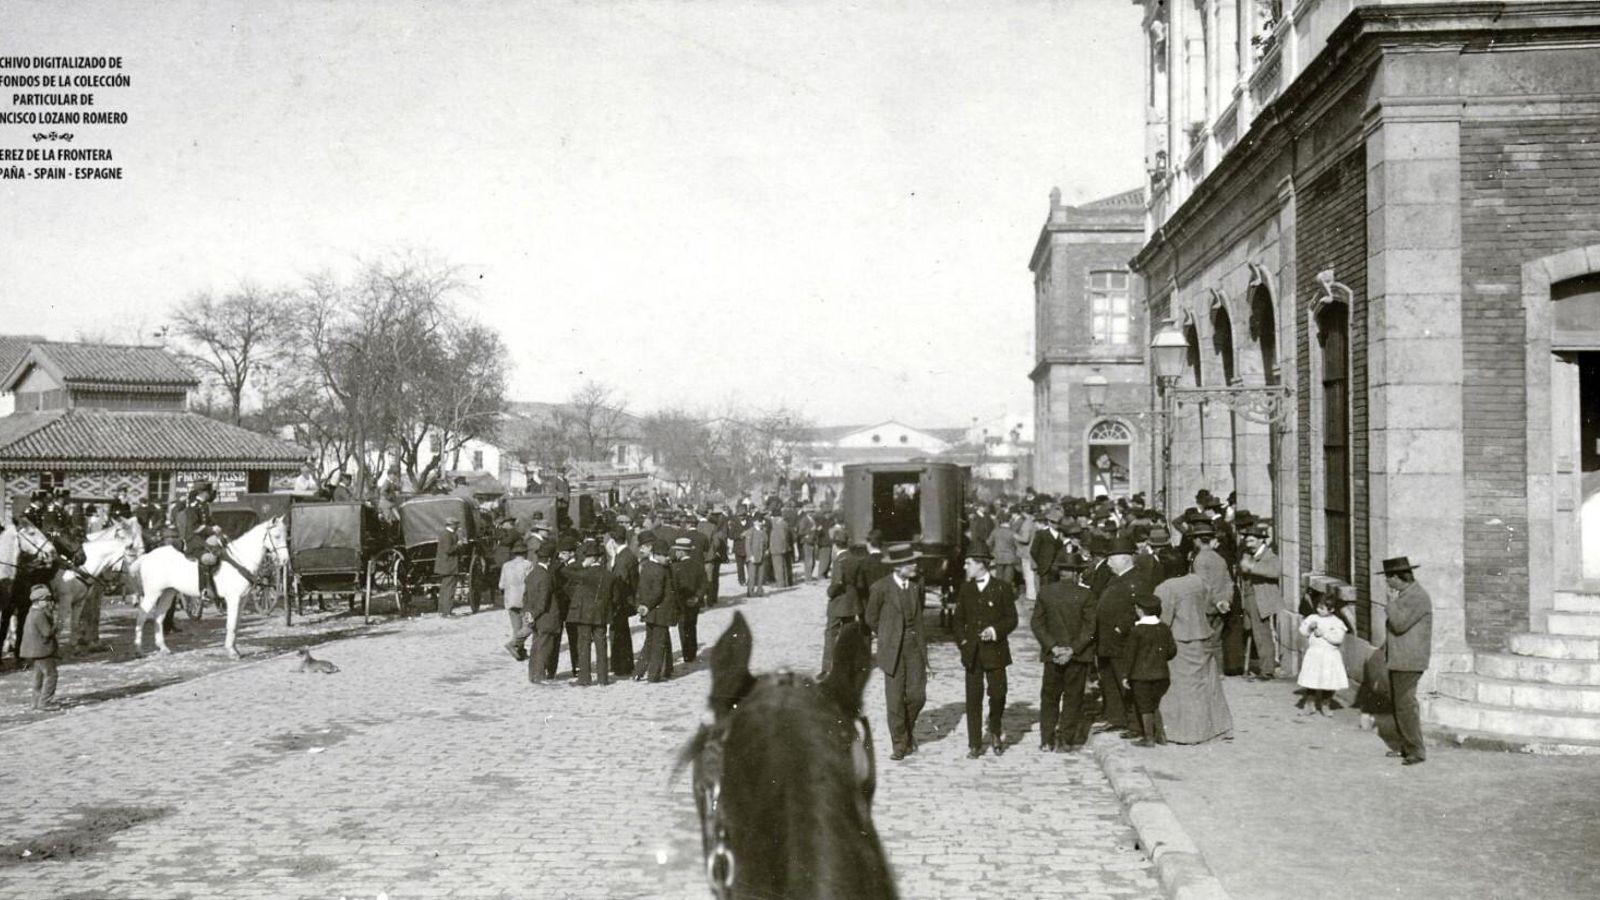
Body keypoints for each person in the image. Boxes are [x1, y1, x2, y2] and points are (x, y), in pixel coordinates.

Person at [953, 544, 1018, 758]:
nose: (965, 567)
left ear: (981, 565)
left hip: (996, 652)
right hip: (972, 653)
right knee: (973, 699)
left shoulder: (1002, 588)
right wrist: (963, 642)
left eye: (968, 563)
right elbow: (958, 621)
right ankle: (974, 743)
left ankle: (995, 729)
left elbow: (1012, 619)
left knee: (998, 694)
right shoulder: (965, 589)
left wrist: (994, 631)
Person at [863, 544, 928, 762]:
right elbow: (871, 617)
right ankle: (900, 744)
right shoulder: (880, 588)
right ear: (898, 566)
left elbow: (919, 616)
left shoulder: (916, 586)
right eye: (911, 563)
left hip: (914, 646)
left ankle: (906, 731)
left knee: (918, 695)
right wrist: (886, 635)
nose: (915, 566)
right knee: (895, 699)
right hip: (892, 648)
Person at [1155, 570, 1234, 743]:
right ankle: (1216, 727)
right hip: (1202, 635)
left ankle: (1187, 733)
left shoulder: (1166, 588)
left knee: (1183, 688)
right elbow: (1209, 604)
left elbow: (1164, 619)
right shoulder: (1197, 580)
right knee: (1208, 684)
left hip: (1182, 640)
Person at [1031, 550, 1096, 752]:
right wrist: (1072, 649)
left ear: (1060, 572)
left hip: (1053, 656)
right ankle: (1066, 739)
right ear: (1076, 573)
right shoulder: (1086, 595)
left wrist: (1053, 647)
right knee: (1073, 698)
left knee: (1049, 698)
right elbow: (1090, 629)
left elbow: (1037, 624)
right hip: (1077, 656)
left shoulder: (1046, 592)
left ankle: (1046, 739)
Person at [1382, 556, 1432, 765]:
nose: (1386, 582)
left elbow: (1399, 624)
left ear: (1396, 577)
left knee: (1405, 705)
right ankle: (1406, 746)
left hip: (1409, 660)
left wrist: (1390, 603)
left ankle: (1416, 751)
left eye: (1388, 578)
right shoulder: (1407, 594)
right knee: (1400, 705)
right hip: (1400, 659)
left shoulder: (1417, 596)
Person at [1092, 536, 1142, 737]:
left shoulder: (1136, 580)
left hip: (1121, 641)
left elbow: (1137, 609)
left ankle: (1134, 724)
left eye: (1112, 558)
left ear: (1125, 558)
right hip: (1106, 640)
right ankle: (1116, 718)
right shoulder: (1116, 578)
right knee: (1109, 680)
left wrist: (1120, 629)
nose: (1108, 563)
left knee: (1124, 681)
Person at [1121, 594, 1177, 747]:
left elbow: (1130, 655)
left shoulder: (1137, 630)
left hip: (1141, 676)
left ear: (1140, 610)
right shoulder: (1164, 628)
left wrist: (1125, 675)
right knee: (1154, 704)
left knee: (1144, 706)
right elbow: (1172, 651)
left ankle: (1149, 738)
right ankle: (1161, 736)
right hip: (1162, 675)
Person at [1238, 525, 1284, 681]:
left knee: (1262, 634)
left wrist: (1251, 566)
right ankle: (1254, 665)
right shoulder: (1248, 554)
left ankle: (1267, 670)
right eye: (1247, 541)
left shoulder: (1270, 556)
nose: (1248, 544)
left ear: (1260, 540)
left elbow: (1275, 572)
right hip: (1249, 598)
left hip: (1261, 599)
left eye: (1251, 541)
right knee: (1250, 631)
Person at [565, 540, 611, 686]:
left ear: (589, 558)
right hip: (601, 613)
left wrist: (582, 564)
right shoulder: (609, 575)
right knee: (601, 644)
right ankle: (603, 678)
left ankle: (584, 678)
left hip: (584, 614)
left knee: (584, 645)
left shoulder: (584, 574)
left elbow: (565, 571)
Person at [1297, 595, 1349, 716]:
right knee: (1311, 680)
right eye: (1318, 607)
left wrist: (1324, 633)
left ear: (1332, 609)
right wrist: (1309, 628)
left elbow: (1338, 639)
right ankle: (1310, 705)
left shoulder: (1337, 622)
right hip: (1314, 654)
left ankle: (1325, 704)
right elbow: (1303, 632)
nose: (1319, 610)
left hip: (1329, 655)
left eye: (1322, 608)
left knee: (1328, 681)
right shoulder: (1312, 618)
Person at [822, 538, 867, 678]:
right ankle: (848, 666)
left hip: (838, 602)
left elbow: (837, 583)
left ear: (835, 546)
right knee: (848, 634)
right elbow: (860, 584)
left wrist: (830, 593)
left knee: (831, 634)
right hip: (851, 603)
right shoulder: (855, 559)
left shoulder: (838, 561)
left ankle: (828, 668)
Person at [637, 540, 678, 682]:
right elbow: (658, 592)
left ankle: (639, 671)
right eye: (665, 556)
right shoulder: (661, 570)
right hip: (661, 611)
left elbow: (641, 588)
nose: (668, 558)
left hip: (649, 612)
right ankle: (653, 675)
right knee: (658, 644)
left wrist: (642, 605)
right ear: (657, 555)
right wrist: (648, 605)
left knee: (649, 641)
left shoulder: (646, 566)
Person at [524, 542, 560, 684]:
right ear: (549, 559)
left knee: (536, 646)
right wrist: (534, 613)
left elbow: (526, 596)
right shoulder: (546, 576)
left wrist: (528, 613)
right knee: (544, 647)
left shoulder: (532, 574)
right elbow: (543, 600)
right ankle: (540, 675)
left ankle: (533, 674)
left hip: (535, 617)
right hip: (546, 617)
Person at [606, 526, 639, 677]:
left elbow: (619, 579)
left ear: (613, 541)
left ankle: (620, 665)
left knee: (618, 632)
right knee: (622, 630)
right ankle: (624, 663)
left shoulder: (621, 557)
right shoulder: (628, 554)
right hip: (626, 598)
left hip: (620, 600)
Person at [20, 584, 58, 710]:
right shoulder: (39, 615)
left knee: (38, 676)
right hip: (42, 650)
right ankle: (45, 702)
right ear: (39, 600)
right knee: (51, 675)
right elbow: (47, 632)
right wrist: (57, 624)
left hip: (34, 651)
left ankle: (35, 702)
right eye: (47, 600)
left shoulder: (32, 612)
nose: (48, 603)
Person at [670, 536, 705, 664]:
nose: (675, 553)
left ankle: (687, 653)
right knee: (692, 625)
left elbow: (674, 587)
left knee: (683, 628)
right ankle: (692, 651)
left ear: (681, 552)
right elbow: (704, 584)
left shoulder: (675, 567)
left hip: (681, 603)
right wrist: (697, 597)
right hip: (694, 602)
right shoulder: (698, 565)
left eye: (677, 551)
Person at [499, 540, 532, 660]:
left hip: (510, 599)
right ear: (525, 553)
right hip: (523, 599)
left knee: (516, 627)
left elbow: (501, 585)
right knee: (528, 626)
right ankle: (513, 644)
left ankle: (520, 652)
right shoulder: (528, 564)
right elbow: (531, 582)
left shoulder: (506, 565)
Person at [434, 516, 464, 617]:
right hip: (450, 566)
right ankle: (447, 612)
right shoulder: (447, 535)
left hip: (446, 566)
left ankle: (442, 610)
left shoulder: (446, 534)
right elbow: (448, 550)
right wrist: (458, 545)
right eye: (456, 524)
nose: (457, 526)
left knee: (444, 588)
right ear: (451, 525)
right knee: (449, 589)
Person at [742, 516, 767, 597]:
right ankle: (750, 591)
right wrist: (750, 555)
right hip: (753, 556)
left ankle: (760, 590)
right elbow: (747, 545)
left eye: (761, 521)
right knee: (752, 575)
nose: (761, 523)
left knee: (761, 575)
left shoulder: (763, 531)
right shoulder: (750, 531)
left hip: (761, 555)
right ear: (754, 522)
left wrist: (766, 550)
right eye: (759, 521)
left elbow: (766, 542)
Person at [767, 510, 791, 589]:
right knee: (784, 565)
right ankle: (786, 582)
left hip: (775, 547)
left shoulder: (772, 522)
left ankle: (780, 584)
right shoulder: (784, 523)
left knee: (777, 566)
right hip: (784, 546)